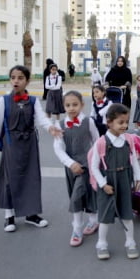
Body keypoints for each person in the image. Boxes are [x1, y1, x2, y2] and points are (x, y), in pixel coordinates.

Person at [0, 65, 62, 232]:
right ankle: (9, 216)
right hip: (11, 143)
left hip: (29, 143)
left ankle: (31, 214)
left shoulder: (33, 101)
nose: (16, 81)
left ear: (27, 81)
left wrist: (50, 128)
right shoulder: (3, 100)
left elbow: (41, 119)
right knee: (9, 178)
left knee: (31, 177)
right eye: (13, 77)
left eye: (20, 78)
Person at [89, 103, 140, 260]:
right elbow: (94, 167)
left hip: (125, 179)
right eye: (121, 122)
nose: (125, 126)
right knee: (105, 215)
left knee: (127, 212)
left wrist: (138, 177)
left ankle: (130, 242)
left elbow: (133, 159)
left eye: (127, 122)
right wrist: (103, 184)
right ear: (109, 122)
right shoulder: (101, 142)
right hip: (108, 182)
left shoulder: (128, 140)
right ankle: (101, 243)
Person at [53, 91, 100, 247]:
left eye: (75, 104)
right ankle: (94, 221)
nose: (71, 108)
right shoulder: (60, 125)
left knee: (79, 197)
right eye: (67, 105)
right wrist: (70, 163)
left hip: (88, 165)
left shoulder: (88, 122)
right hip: (71, 167)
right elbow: (58, 148)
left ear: (82, 105)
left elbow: (97, 140)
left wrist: (97, 161)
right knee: (80, 194)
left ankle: (77, 228)